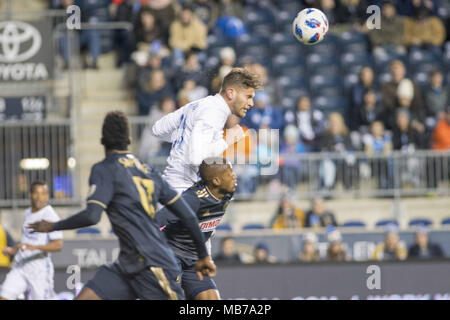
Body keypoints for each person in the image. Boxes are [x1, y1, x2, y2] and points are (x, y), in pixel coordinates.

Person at [27, 111, 215, 300]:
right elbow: (189, 216)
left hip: (154, 265)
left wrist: (53, 226)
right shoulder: (148, 170)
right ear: (129, 140)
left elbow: (92, 216)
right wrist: (204, 256)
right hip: (127, 264)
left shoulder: (104, 168)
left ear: (102, 141)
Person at [152, 67, 262, 193]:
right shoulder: (213, 112)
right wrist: (226, 141)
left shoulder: (200, 104)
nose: (251, 103)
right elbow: (196, 158)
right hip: (182, 191)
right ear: (231, 93)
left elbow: (157, 129)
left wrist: (186, 136)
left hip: (173, 187)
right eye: (248, 96)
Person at [155, 158, 235, 300]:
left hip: (194, 258)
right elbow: (157, 221)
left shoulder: (228, 191)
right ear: (216, 181)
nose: (234, 176)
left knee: (211, 298)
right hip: (172, 255)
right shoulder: (192, 199)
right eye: (229, 174)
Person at [0, 181, 63, 300]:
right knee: (4, 296)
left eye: (43, 193)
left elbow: (58, 245)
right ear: (30, 195)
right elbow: (26, 241)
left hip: (39, 269)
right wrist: (14, 250)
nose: (39, 197)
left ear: (47, 196)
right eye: (36, 193)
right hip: (21, 266)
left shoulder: (50, 216)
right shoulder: (27, 213)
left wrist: (35, 247)